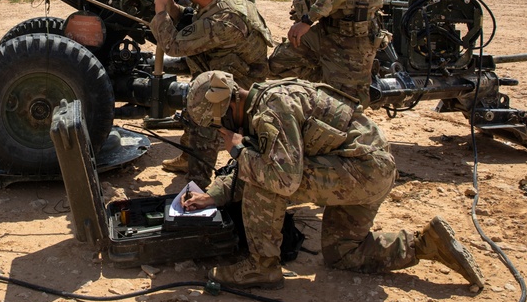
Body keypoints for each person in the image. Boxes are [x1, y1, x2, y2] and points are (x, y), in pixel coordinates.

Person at [181, 71, 486, 290]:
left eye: (214, 123)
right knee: (343, 253)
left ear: (226, 108)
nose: (218, 130)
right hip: (369, 171)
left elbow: (282, 178)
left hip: (362, 170)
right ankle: (425, 244)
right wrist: (215, 195)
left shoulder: (271, 110)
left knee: (267, 179)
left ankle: (262, 268)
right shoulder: (261, 103)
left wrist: (235, 149)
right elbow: (263, 155)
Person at [150, 0, 272, 186]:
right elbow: (195, 21)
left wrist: (160, 12)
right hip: (233, 64)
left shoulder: (223, 20)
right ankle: (188, 158)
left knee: (204, 120)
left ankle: (198, 184)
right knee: (193, 104)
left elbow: (173, 45)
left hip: (239, 81)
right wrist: (174, 8)